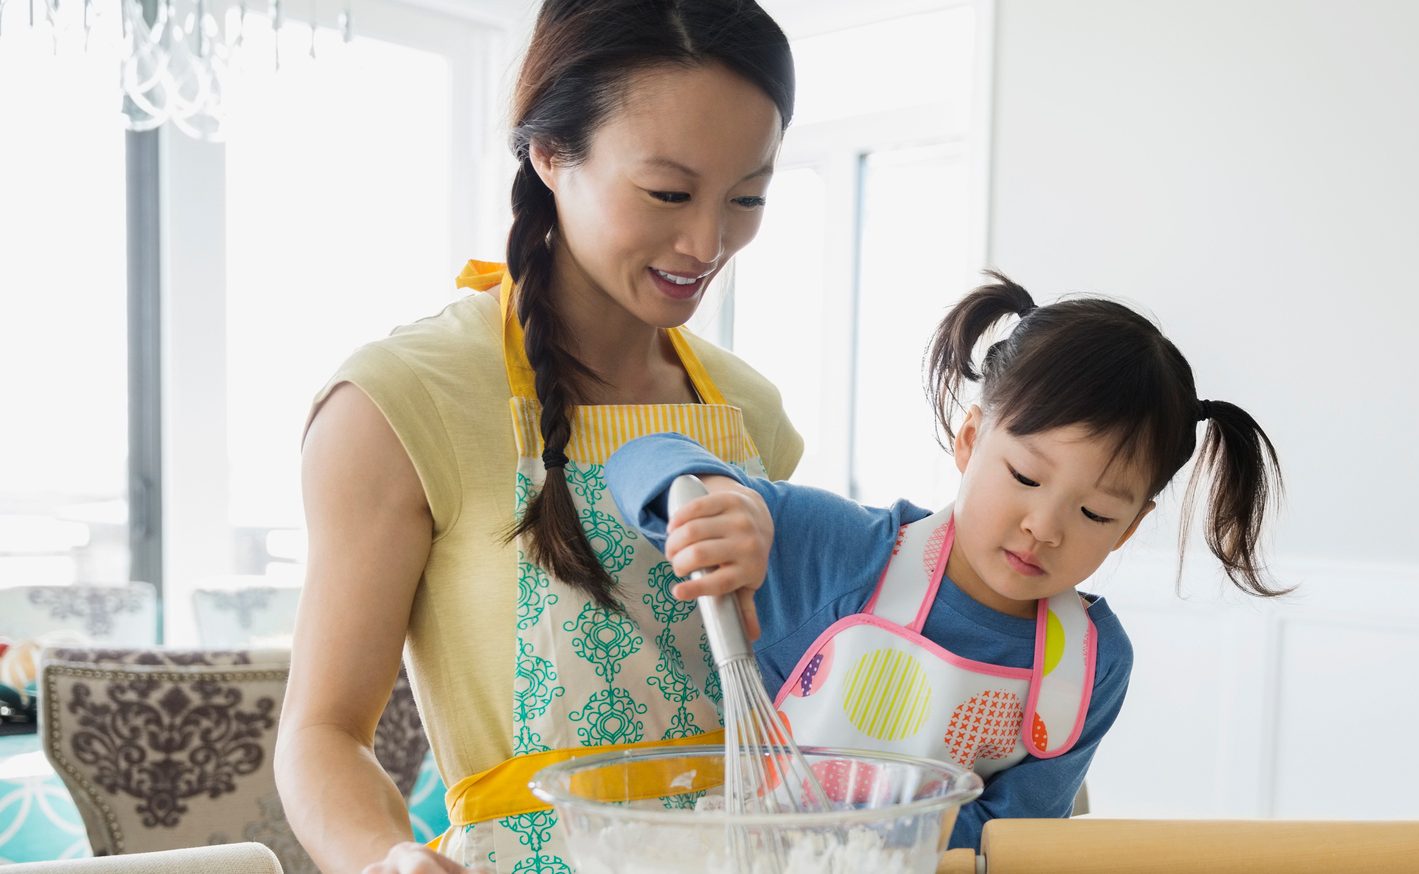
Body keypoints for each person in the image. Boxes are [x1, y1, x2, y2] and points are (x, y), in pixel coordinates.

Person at [275, 1, 802, 870]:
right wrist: (382, 857)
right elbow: (323, 732)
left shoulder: (751, 411)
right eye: (668, 192)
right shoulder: (401, 401)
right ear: (549, 153)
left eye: (747, 196)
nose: (709, 240)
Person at [606, 272, 1288, 849]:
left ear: (1130, 527)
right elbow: (639, 455)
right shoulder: (836, 551)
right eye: (1024, 476)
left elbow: (1012, 843)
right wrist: (720, 497)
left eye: (1094, 514)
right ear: (969, 438)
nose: (1042, 527)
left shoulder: (1088, 664)